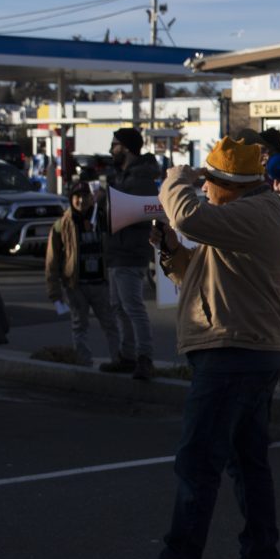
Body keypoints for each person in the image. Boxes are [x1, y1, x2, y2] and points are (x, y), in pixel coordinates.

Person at [119, 137, 280, 559]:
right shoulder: (248, 219)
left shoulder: (255, 214)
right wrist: (173, 252)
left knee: (198, 460)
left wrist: (177, 179)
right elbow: (200, 279)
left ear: (229, 186)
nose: (207, 190)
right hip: (244, 349)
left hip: (234, 352)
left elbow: (188, 212)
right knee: (246, 462)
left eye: (212, 183)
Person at [99, 127, 158, 380]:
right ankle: (128, 355)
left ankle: (144, 358)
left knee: (132, 307)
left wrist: (112, 205)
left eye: (115, 145)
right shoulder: (122, 176)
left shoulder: (140, 179)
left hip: (130, 252)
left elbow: (145, 212)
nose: (111, 150)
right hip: (117, 250)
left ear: (126, 148)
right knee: (118, 307)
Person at [44, 181, 121, 368]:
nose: (81, 201)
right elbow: (51, 261)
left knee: (111, 324)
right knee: (79, 326)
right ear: (71, 199)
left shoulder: (102, 218)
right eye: (77, 197)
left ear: (91, 198)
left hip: (101, 284)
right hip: (76, 285)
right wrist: (55, 292)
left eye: (85, 196)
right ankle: (83, 362)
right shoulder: (62, 225)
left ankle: (118, 360)